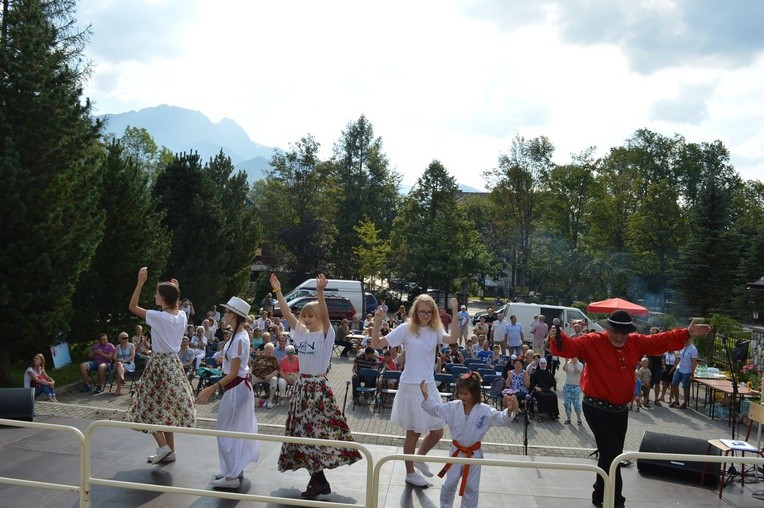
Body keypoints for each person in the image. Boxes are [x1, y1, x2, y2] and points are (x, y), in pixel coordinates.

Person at [549, 309, 711, 508]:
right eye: (615, 332)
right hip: (596, 408)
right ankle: (617, 502)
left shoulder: (634, 341)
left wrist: (686, 333)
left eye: (623, 334)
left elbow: (658, 341)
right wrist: (558, 336)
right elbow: (568, 347)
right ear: (608, 329)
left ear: (628, 333)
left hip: (620, 410)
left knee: (611, 454)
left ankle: (598, 495)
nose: (619, 337)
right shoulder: (593, 340)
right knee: (613, 454)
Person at [271, 273, 361, 499]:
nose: (308, 319)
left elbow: (326, 315)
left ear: (320, 318)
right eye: (306, 315)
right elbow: (286, 313)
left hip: (317, 388)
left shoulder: (326, 334)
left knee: (316, 433)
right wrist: (278, 291)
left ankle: (318, 481)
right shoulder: (300, 333)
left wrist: (320, 292)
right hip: (302, 387)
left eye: (312, 316)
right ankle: (318, 481)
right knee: (301, 433)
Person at [371, 294, 460, 487]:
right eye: (422, 311)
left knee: (437, 431)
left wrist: (454, 312)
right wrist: (377, 321)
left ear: (434, 313)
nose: (425, 315)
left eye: (429, 312)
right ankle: (410, 473)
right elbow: (376, 344)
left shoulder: (436, 330)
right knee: (413, 433)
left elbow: (453, 338)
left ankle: (419, 457)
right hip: (411, 386)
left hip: (428, 385)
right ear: (416, 311)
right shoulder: (405, 329)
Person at [126, 267, 196, 465]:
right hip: (173, 364)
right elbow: (178, 305)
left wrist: (140, 282)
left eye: (157, 293)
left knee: (146, 406)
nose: (155, 295)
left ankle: (164, 447)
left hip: (159, 364)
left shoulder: (159, 317)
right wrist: (176, 289)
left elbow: (133, 306)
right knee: (167, 409)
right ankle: (170, 451)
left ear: (164, 298)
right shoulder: (181, 316)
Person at [419, 374, 516, 508]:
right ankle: (445, 506)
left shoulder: (484, 410)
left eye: (466, 394)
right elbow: (436, 409)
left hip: (474, 454)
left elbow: (500, 418)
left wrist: (509, 410)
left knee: (471, 486)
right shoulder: (453, 407)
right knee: (449, 483)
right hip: (456, 451)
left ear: (475, 394)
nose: (462, 397)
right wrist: (426, 396)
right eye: (460, 393)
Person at [197, 296, 259, 489]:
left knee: (225, 430)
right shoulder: (238, 335)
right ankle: (233, 469)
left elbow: (233, 374)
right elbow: (235, 366)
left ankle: (231, 476)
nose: (224, 315)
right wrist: (223, 360)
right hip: (238, 388)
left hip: (236, 389)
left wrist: (211, 387)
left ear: (233, 315)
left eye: (226, 312)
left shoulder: (240, 338)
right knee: (234, 429)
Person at [250, 342, 286, 408]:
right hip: (258, 376)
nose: (269, 351)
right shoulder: (259, 357)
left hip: (269, 377)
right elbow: (252, 365)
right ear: (264, 349)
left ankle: (270, 401)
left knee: (274, 379)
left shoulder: (274, 358)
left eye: (270, 349)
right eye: (267, 349)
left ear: (272, 351)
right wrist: (249, 371)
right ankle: (249, 399)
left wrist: (270, 375)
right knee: (249, 378)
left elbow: (277, 370)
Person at [669, 336, 698, 409]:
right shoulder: (682, 346)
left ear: (690, 340)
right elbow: (678, 356)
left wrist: (692, 373)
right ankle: (676, 400)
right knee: (674, 384)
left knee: (685, 387)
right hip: (679, 368)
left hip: (687, 370)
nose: (685, 342)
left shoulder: (693, 349)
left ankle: (685, 402)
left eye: (686, 340)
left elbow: (694, 362)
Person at [112, 332, 136, 396]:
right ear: (119, 339)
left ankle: (118, 390)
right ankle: (122, 378)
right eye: (124, 338)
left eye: (127, 338)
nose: (126, 339)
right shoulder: (118, 346)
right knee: (119, 364)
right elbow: (114, 357)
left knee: (118, 370)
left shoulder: (131, 346)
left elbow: (132, 356)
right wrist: (118, 360)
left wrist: (125, 361)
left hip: (129, 364)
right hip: (119, 364)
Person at [562, 357, 583, 425]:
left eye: (574, 356)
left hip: (576, 386)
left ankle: (579, 419)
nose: (572, 358)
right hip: (567, 385)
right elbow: (564, 369)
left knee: (576, 403)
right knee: (567, 403)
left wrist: (574, 364)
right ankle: (568, 419)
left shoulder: (580, 364)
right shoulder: (568, 363)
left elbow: (576, 372)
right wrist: (566, 362)